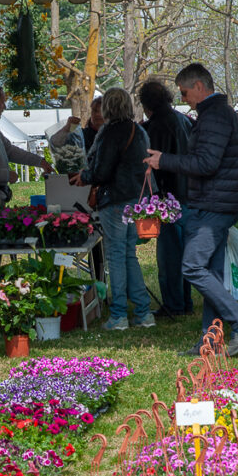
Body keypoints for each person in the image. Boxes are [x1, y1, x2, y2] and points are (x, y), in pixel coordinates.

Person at [145, 63, 238, 357]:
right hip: (216, 204)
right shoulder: (216, 115)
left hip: (212, 207)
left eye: (184, 92)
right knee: (211, 274)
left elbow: (206, 164)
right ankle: (212, 340)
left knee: (192, 267)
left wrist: (164, 161)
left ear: (198, 87)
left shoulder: (214, 118)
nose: (183, 99)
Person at [70, 87, 155, 331]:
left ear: (107, 107)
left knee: (116, 257)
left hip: (116, 201)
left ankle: (118, 315)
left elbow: (102, 171)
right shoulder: (138, 130)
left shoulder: (110, 132)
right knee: (129, 254)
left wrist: (84, 176)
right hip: (136, 199)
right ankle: (143, 312)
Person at [139, 79, 194, 317]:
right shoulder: (184, 120)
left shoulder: (156, 126)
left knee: (169, 257)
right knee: (184, 253)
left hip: (168, 197)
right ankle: (185, 301)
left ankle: (174, 304)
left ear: (146, 104)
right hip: (188, 193)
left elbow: (154, 163)